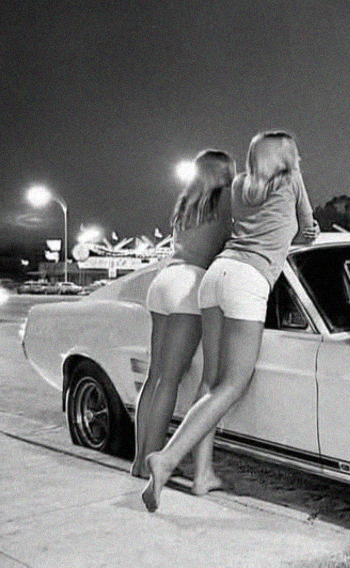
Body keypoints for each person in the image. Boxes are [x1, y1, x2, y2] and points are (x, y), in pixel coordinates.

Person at [142, 131, 318, 512]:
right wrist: (289, 237)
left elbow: (241, 225)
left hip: (214, 277)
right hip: (248, 280)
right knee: (234, 384)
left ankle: (202, 476)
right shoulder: (290, 182)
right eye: (295, 155)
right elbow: (308, 228)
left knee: (209, 381)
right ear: (288, 159)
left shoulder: (238, 184)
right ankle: (167, 459)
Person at [130, 149, 235, 483]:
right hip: (190, 287)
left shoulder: (187, 203)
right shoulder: (226, 199)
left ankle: (137, 460)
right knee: (170, 381)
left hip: (163, 281)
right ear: (224, 173)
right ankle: (152, 464)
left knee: (155, 376)